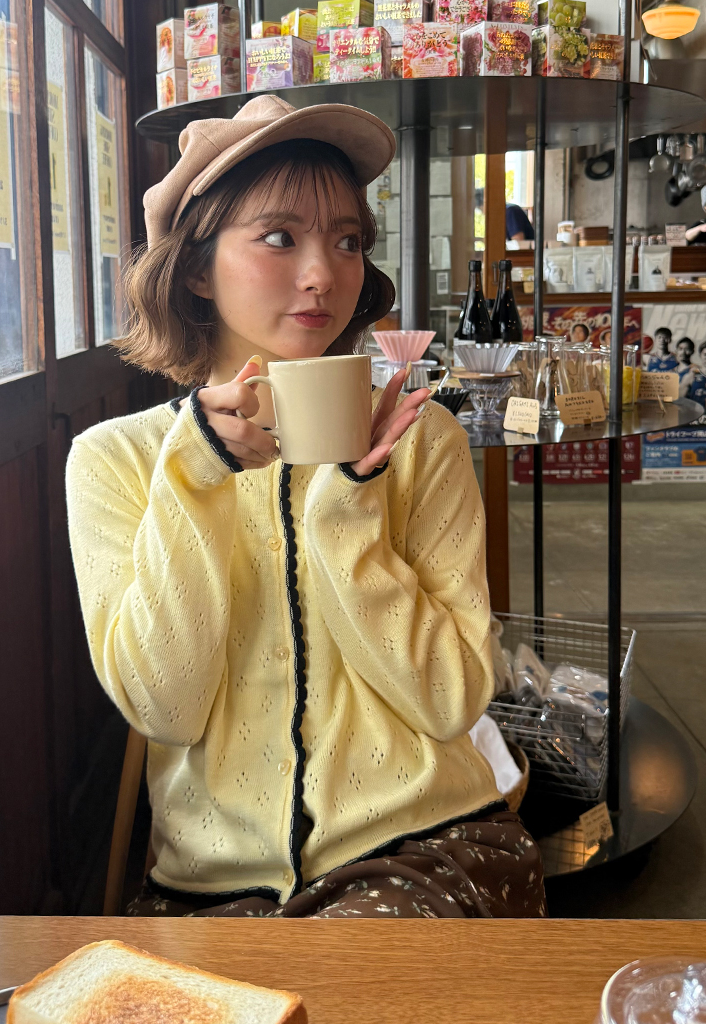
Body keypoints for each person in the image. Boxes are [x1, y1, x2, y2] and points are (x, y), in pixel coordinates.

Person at [65, 96, 545, 921]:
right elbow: (166, 708)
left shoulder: (419, 438)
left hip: (424, 848)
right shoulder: (117, 460)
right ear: (195, 268)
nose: (325, 274)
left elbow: (452, 699)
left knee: (346, 973)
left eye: (348, 240)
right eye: (280, 237)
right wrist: (195, 478)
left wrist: (344, 508)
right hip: (214, 884)